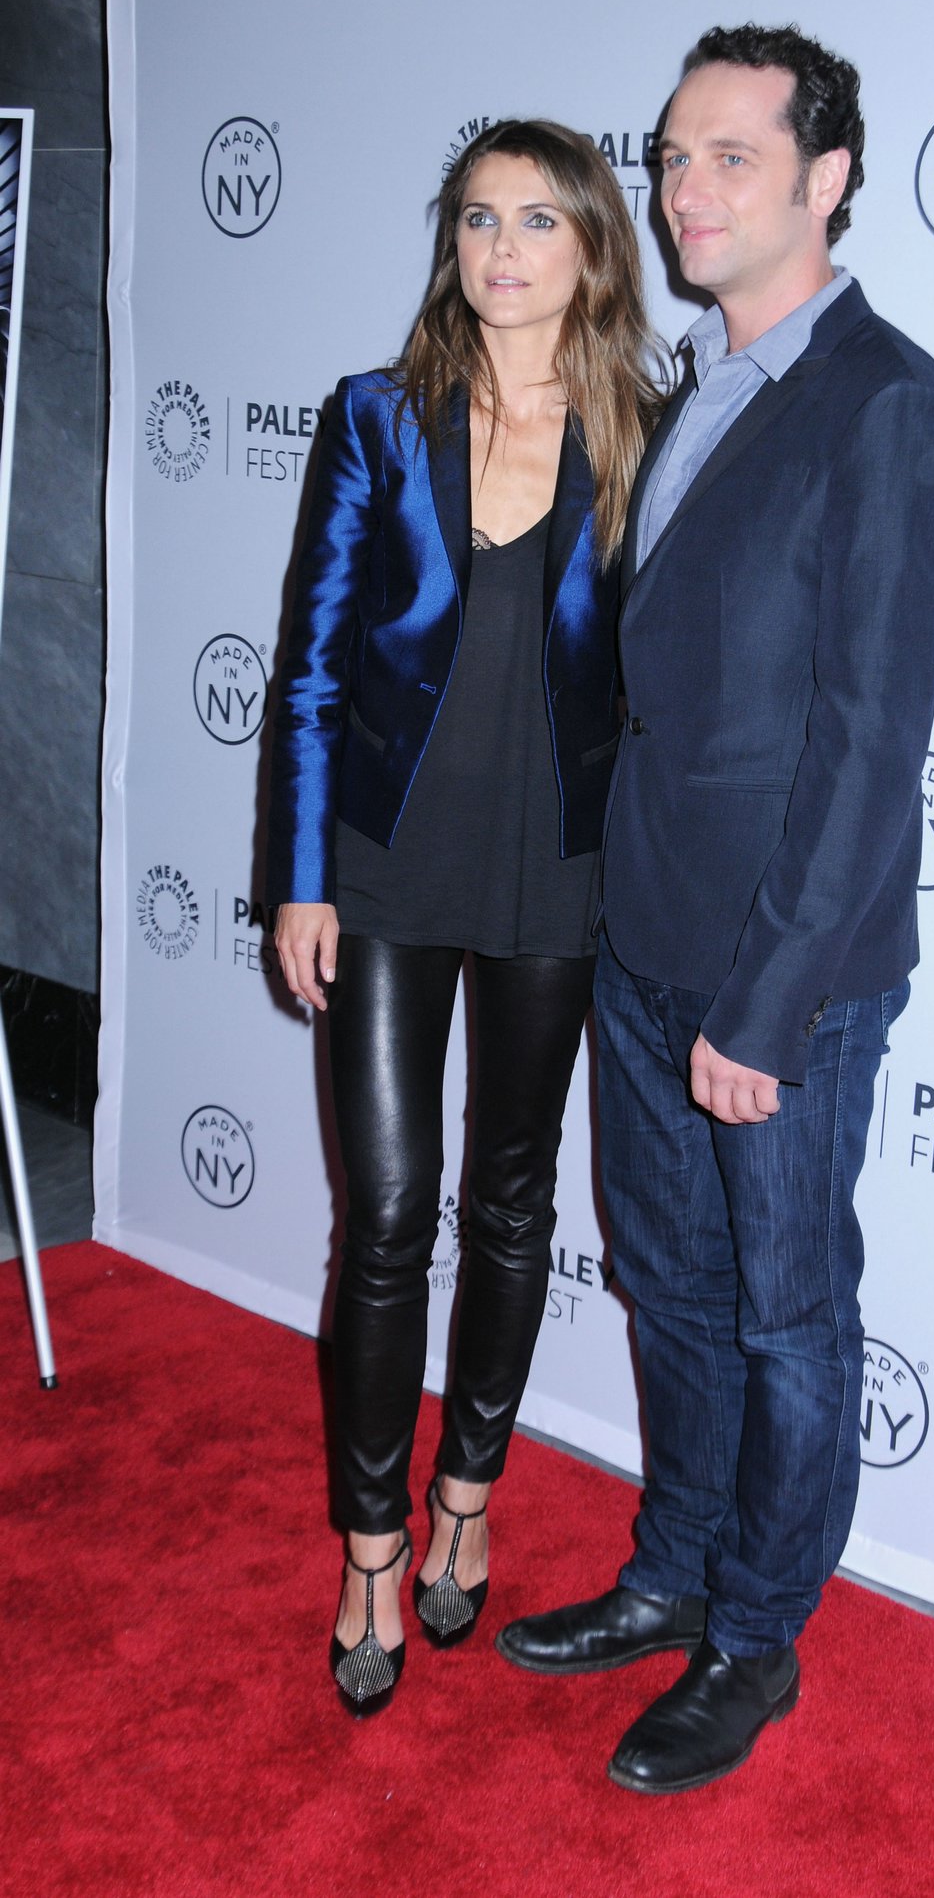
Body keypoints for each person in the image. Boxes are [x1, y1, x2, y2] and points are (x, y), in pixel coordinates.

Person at [496, 25, 934, 1793]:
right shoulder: (697, 381)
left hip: (789, 973)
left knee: (786, 1317)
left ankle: (757, 1640)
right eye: (674, 158)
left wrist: (764, 1013)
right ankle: (675, 1570)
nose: (685, 190)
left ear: (826, 178)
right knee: (677, 1296)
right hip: (645, 940)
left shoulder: (890, 404)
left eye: (730, 159)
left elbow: (868, 742)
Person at [267, 119, 664, 1717]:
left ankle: (466, 1506)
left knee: (510, 1206)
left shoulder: (649, 427)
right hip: (382, 869)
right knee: (386, 1214)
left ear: (590, 249)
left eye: (539, 221)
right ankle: (370, 1540)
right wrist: (298, 874)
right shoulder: (377, 417)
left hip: (557, 879)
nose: (504, 248)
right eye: (480, 219)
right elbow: (308, 667)